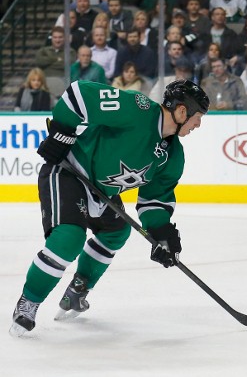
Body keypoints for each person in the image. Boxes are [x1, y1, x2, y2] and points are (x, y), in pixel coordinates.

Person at [9, 79, 210, 337]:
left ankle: (78, 289)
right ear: (182, 111)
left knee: (116, 231)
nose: (198, 124)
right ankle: (29, 302)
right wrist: (62, 133)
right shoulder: (137, 109)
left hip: (102, 193)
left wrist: (162, 232)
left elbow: (153, 200)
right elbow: (80, 94)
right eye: (198, 117)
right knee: (69, 238)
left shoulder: (173, 156)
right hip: (69, 172)